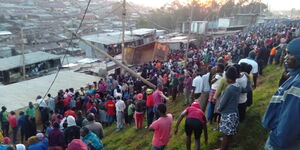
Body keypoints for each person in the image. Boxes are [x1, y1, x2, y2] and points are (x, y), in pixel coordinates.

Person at [262, 38, 300, 150]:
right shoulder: (294, 78)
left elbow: (289, 121)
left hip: (281, 143)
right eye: (286, 53)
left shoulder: (297, 85)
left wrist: (275, 142)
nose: (285, 57)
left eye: (290, 54)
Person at [215, 66, 241, 150]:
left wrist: (219, 109)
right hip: (234, 112)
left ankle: (222, 148)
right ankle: (226, 147)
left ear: (229, 78)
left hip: (228, 114)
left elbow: (223, 102)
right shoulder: (238, 86)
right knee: (229, 134)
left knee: (225, 134)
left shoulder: (229, 89)